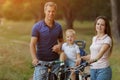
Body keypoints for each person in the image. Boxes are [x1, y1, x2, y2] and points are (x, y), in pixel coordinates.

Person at [30, 2, 63, 80]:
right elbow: (32, 44)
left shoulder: (58, 27)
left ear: (55, 12)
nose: (51, 13)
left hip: (55, 62)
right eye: (49, 11)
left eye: (53, 11)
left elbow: (62, 42)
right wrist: (34, 58)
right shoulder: (37, 27)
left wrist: (59, 46)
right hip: (41, 62)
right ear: (45, 11)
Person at [82, 16, 113, 80]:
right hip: (93, 70)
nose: (99, 26)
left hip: (103, 70)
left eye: (102, 25)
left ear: (105, 27)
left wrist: (90, 61)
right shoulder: (94, 38)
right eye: (98, 24)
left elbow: (100, 54)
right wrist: (81, 58)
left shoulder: (107, 39)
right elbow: (93, 55)